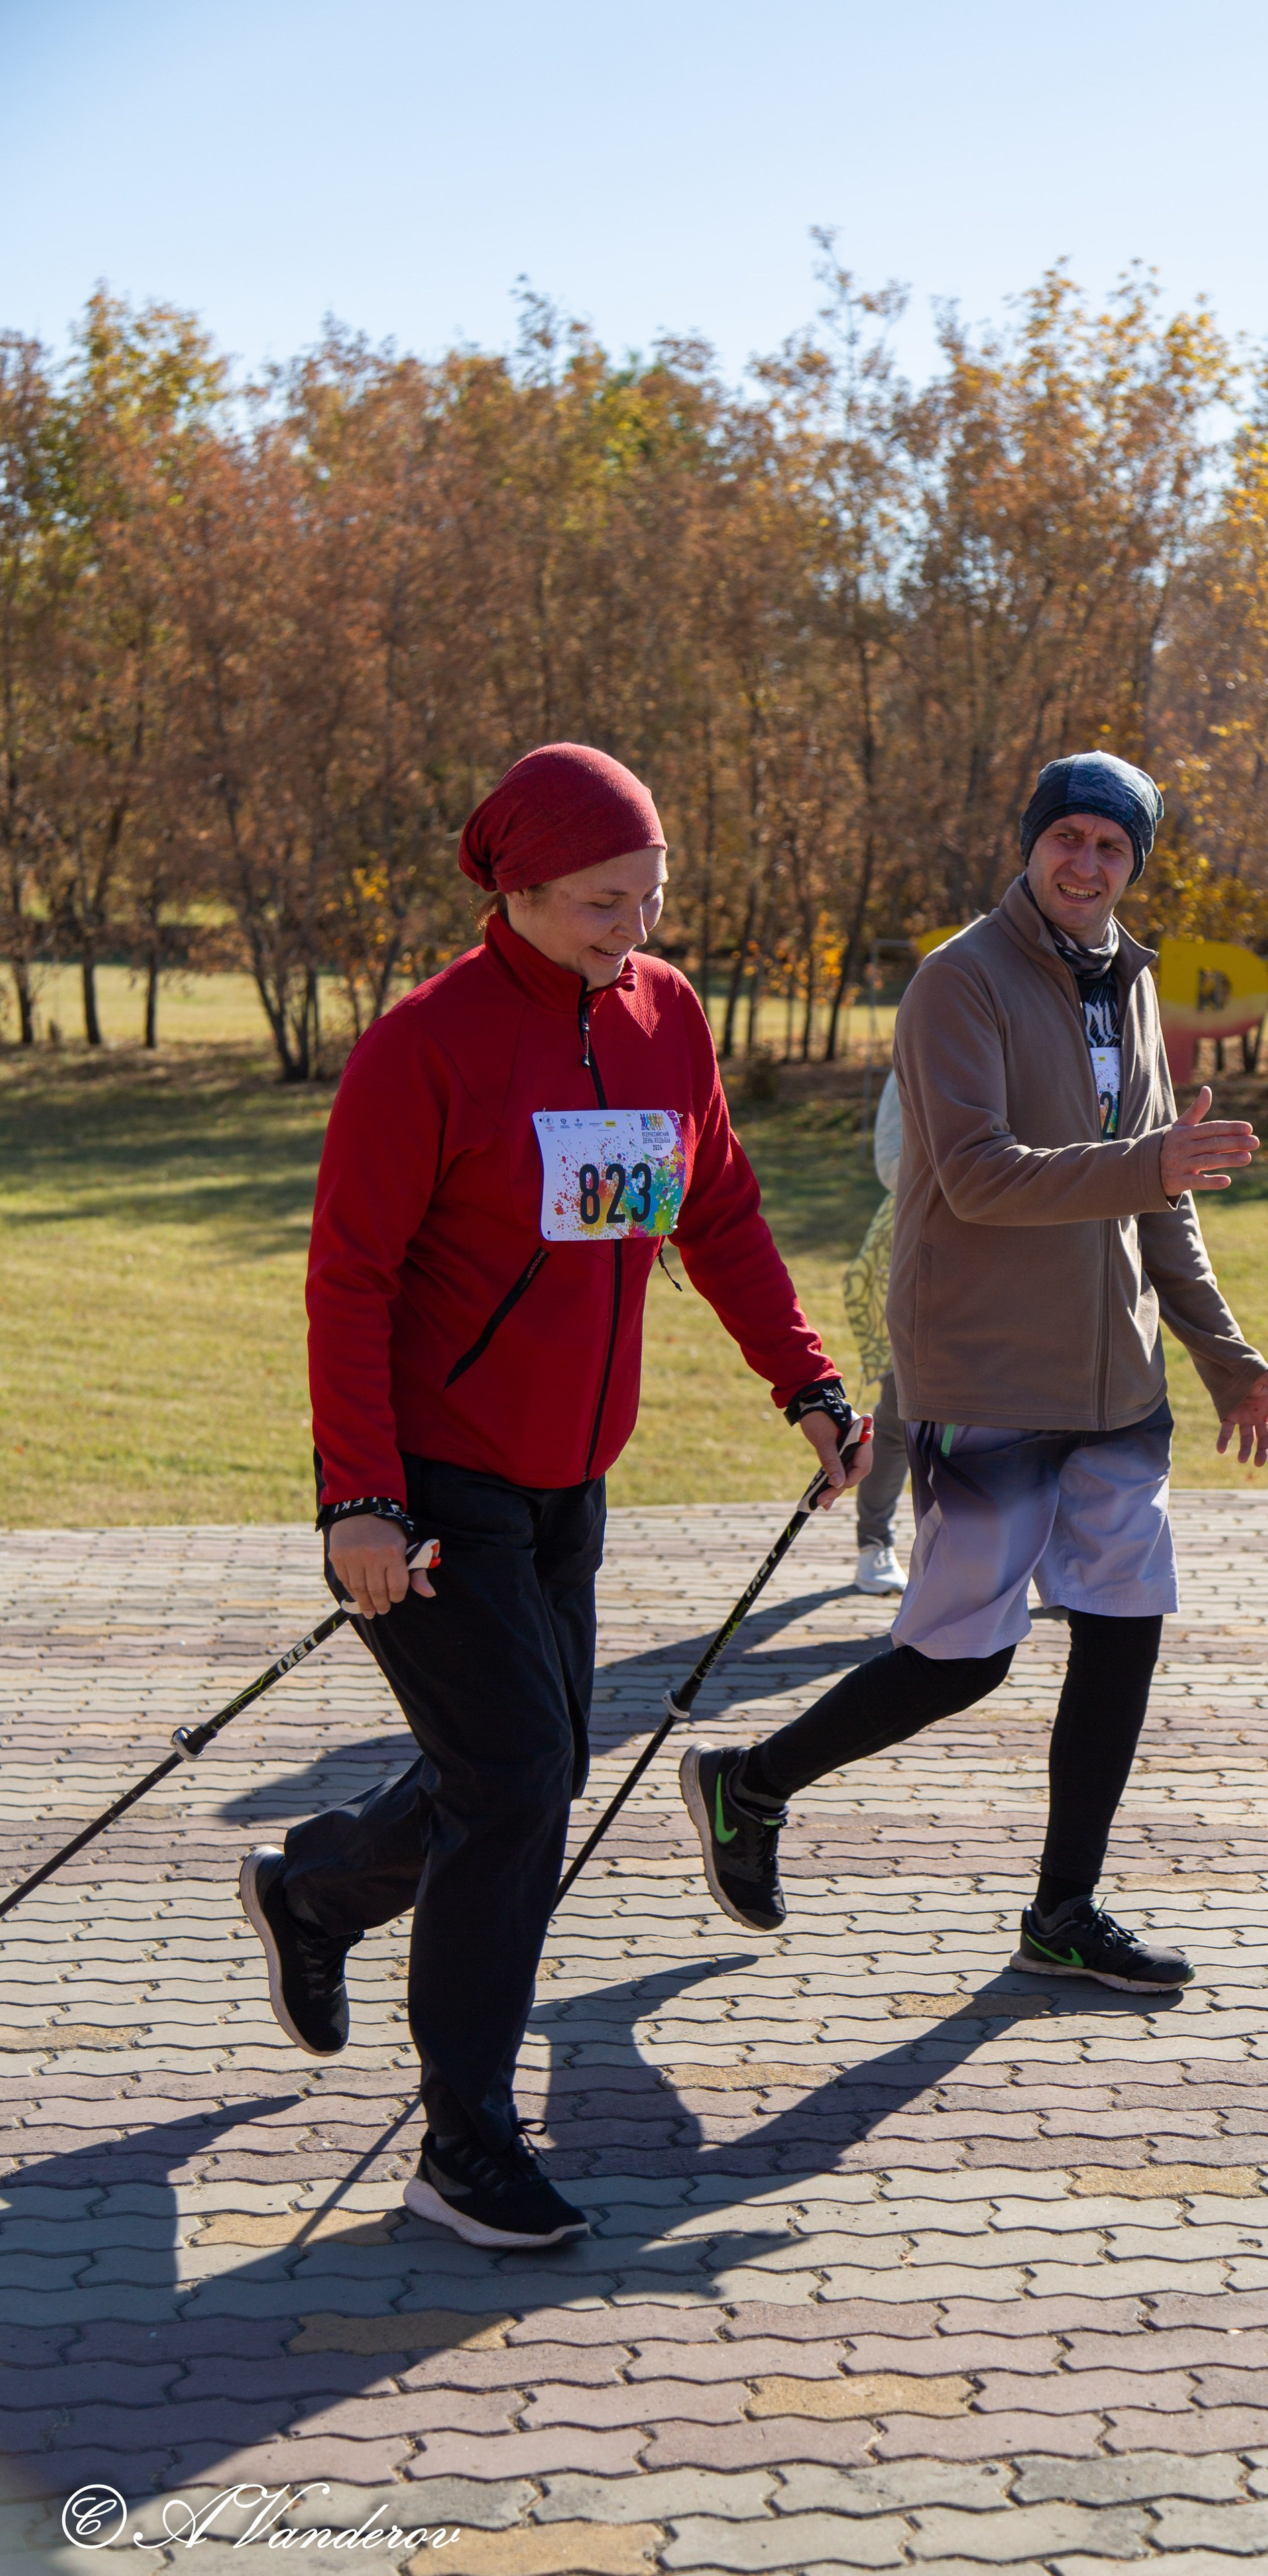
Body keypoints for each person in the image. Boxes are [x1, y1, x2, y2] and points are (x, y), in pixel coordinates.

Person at [237, 743, 869, 2251]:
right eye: (599, 901)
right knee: (520, 1783)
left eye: (648, 895)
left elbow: (712, 1206)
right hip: (428, 1483)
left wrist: (808, 1381)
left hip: (572, 1478)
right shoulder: (427, 1047)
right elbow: (350, 1283)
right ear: (513, 890)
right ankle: (464, 2144)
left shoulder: (664, 1021)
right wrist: (361, 1503)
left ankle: (319, 1890)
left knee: (514, 1773)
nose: (628, 928)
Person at [679, 750, 1268, 1993]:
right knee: (965, 1657)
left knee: (1125, 1632)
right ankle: (749, 1784)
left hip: (1116, 1380)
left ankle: (1063, 1910)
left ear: (1136, 866)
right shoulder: (960, 982)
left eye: (1113, 848)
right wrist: (1150, 1165)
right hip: (988, 1370)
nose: (1086, 863)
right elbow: (977, 1175)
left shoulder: (1134, 983)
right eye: (1068, 837)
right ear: (1031, 844)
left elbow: (1160, 1201)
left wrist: (1225, 1355)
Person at [842, 1071, 909, 1594]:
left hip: (1032, 1246)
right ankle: (875, 1541)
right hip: (924, 1238)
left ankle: (1046, 1555)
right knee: (901, 1413)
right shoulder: (930, 1035)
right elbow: (890, 1158)